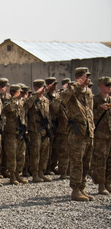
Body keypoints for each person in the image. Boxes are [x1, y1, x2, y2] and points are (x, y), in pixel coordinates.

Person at [60, 67, 95, 201]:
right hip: (76, 133)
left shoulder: (88, 92)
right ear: (79, 77)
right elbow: (62, 97)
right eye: (86, 76)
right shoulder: (71, 91)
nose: (88, 79)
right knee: (77, 162)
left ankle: (82, 188)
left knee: (86, 162)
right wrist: (75, 85)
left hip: (88, 132)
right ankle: (75, 190)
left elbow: (89, 112)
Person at [25, 79, 52, 183]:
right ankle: (35, 174)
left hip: (45, 130)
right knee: (35, 153)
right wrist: (35, 94)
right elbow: (26, 106)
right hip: (35, 130)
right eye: (42, 87)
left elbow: (48, 115)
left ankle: (41, 172)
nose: (44, 89)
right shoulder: (32, 98)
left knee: (45, 152)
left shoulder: (45, 100)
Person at [2, 84, 28, 185]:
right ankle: (12, 175)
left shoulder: (22, 102)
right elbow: (8, 109)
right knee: (12, 155)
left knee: (21, 154)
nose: (21, 94)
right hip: (11, 132)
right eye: (19, 92)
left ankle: (18, 174)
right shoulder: (8, 102)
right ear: (13, 92)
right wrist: (13, 99)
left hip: (20, 132)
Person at [91, 76, 111, 195]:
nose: (109, 87)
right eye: (107, 85)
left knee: (110, 160)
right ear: (100, 86)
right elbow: (89, 116)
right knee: (100, 161)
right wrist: (100, 109)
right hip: (100, 135)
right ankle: (101, 184)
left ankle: (109, 182)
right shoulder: (95, 100)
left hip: (110, 135)